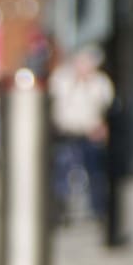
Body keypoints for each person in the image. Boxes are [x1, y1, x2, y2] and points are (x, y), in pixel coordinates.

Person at [50, 45, 115, 221]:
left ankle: (98, 210)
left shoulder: (100, 83)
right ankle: (60, 210)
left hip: (90, 134)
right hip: (66, 132)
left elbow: (107, 107)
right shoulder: (61, 79)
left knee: (95, 172)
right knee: (62, 171)